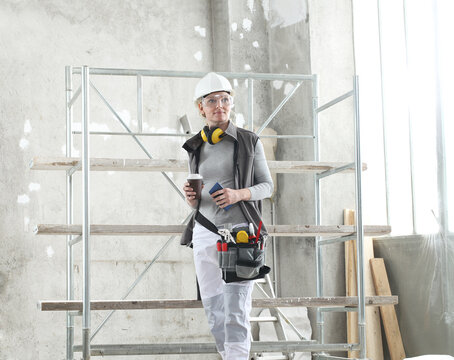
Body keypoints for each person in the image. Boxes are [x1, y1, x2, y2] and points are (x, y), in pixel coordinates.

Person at [181, 72, 274, 360]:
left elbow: (267, 187)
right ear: (201, 108)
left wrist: (238, 194)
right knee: (212, 308)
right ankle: (229, 356)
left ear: (231, 103)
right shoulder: (195, 146)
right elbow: (201, 194)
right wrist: (191, 198)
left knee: (235, 308)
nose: (219, 105)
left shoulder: (248, 141)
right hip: (204, 230)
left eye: (224, 99)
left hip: (239, 233)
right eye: (211, 101)